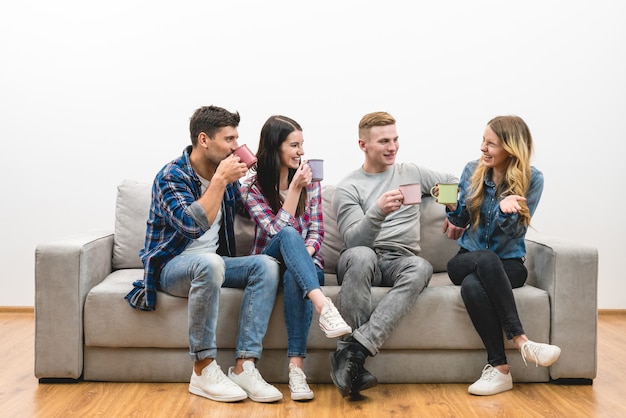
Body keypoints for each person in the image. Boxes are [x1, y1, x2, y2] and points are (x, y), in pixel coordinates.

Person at [124, 105, 283, 403]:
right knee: (208, 263)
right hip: (171, 267)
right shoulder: (171, 176)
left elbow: (248, 210)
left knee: (266, 266)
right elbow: (191, 226)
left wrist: (272, 174)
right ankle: (203, 368)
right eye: (229, 139)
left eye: (237, 139)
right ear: (204, 140)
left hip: (213, 263)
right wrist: (221, 181)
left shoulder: (225, 175)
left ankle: (244, 366)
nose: (236, 147)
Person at [330, 111, 458, 398]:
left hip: (400, 260)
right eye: (384, 141)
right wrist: (377, 211)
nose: (392, 147)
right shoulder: (348, 187)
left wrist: (449, 205)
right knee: (363, 255)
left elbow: (454, 180)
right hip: (362, 260)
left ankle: (354, 352)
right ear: (363, 145)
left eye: (395, 139)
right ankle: (353, 356)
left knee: (421, 266)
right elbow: (353, 241)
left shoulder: (411, 173)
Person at [442, 115, 561, 396]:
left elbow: (513, 233)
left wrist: (508, 210)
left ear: (510, 148)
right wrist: (451, 204)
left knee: (474, 285)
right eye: (483, 141)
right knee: (483, 258)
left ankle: (500, 370)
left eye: (491, 144)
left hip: (510, 265)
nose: (483, 148)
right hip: (466, 259)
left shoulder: (532, 179)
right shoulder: (472, 170)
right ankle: (522, 342)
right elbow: (460, 220)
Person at [240, 115, 351, 401]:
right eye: (294, 145)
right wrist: (295, 189)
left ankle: (296, 370)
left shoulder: (311, 181)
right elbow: (276, 229)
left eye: (302, 144)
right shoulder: (250, 187)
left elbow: (316, 233)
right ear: (275, 147)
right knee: (289, 236)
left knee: (298, 272)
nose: (301, 151)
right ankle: (323, 305)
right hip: (268, 263)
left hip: (302, 266)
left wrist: (302, 255)